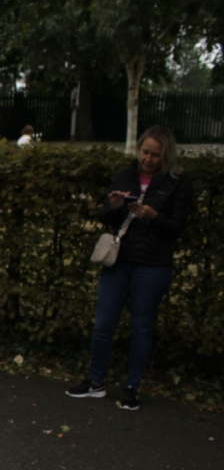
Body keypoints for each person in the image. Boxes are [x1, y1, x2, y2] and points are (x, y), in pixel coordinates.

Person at [67, 126, 193, 410]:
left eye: (155, 155)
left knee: (141, 327)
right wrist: (113, 206)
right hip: (119, 261)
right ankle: (96, 382)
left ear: (166, 156)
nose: (147, 159)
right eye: (145, 152)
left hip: (153, 265)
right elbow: (104, 216)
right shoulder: (125, 174)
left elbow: (177, 227)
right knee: (103, 325)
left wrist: (154, 216)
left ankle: (132, 387)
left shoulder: (177, 182)